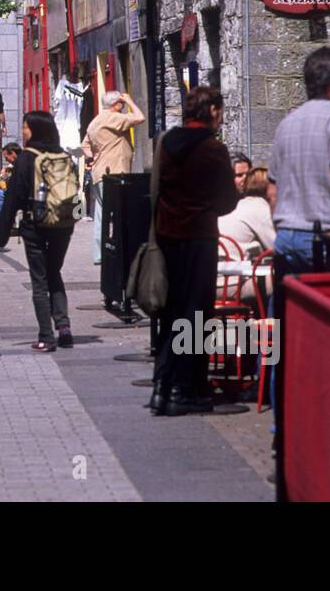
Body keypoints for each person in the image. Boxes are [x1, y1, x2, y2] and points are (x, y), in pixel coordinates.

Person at [150, 86, 240, 416]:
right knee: (197, 316)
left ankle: (162, 385)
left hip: (167, 236)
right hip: (199, 238)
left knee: (172, 313)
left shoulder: (166, 143)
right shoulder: (213, 149)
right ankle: (184, 389)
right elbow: (228, 200)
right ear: (212, 111)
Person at [268, 47, 330, 274]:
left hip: (285, 236)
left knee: (289, 307)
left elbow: (272, 191)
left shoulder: (286, 124)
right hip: (322, 236)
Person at [0, 111, 78, 352]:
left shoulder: (25, 159)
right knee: (55, 272)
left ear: (35, 129)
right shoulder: (63, 155)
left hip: (35, 225)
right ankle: (64, 328)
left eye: (25, 127)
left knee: (40, 280)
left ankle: (46, 336)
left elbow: (12, 199)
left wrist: (2, 234)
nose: (22, 131)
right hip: (63, 224)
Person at [81, 90, 146, 265]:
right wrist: (130, 100)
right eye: (121, 104)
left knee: (101, 214)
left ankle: (99, 253)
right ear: (115, 104)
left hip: (99, 173)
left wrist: (91, 157)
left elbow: (84, 145)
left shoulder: (95, 121)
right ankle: (121, 249)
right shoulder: (113, 118)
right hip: (115, 172)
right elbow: (140, 117)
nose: (123, 107)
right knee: (120, 212)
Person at [217, 166, 276, 256]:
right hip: (237, 265)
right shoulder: (259, 208)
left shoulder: (243, 204)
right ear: (268, 188)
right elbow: (277, 247)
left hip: (219, 262)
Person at [0, 143, 21, 217]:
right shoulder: (10, 167)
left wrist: (5, 187)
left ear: (13, 154)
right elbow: (2, 180)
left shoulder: (21, 164)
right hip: (14, 193)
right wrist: (2, 179)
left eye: (6, 157)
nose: (6, 160)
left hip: (21, 195)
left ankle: (5, 220)